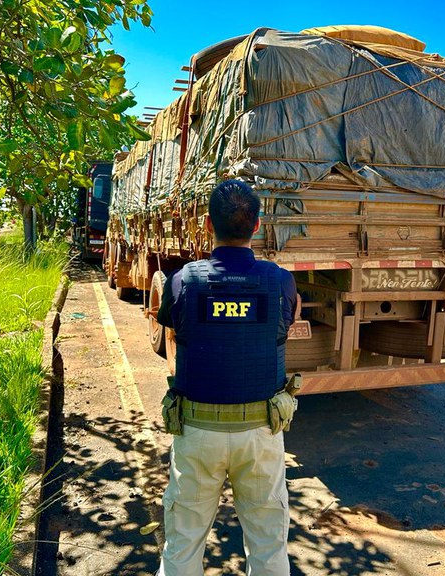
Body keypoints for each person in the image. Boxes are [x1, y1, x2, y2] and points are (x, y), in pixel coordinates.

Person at [156, 179, 298, 576]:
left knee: (182, 544)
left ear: (206, 224)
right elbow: (283, 328)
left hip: (197, 432)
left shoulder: (183, 280)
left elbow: (173, 327)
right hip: (261, 433)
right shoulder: (281, 281)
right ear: (257, 226)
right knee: (269, 545)